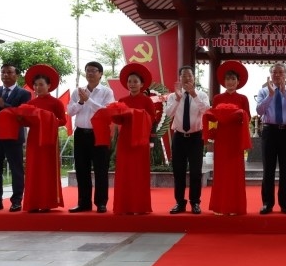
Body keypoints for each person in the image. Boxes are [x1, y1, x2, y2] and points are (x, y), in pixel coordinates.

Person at [0, 64, 66, 213]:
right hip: (34, 138)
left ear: (49, 85)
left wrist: (47, 118)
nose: (37, 87)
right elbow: (25, 121)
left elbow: (63, 120)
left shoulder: (56, 102)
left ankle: (47, 202)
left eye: (41, 84)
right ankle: (34, 202)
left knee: (47, 170)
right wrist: (20, 118)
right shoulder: (30, 103)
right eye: (35, 85)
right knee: (33, 169)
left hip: (49, 140)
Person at [0, 63, 31, 213]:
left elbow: (22, 113)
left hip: (13, 135)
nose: (5, 75)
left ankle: (16, 201)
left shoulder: (24, 94)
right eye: (3, 72)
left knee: (16, 169)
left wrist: (4, 104)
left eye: (9, 72)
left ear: (17, 75)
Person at [66, 61, 115, 213]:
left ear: (100, 74)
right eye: (87, 71)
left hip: (99, 133)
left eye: (94, 71)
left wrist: (89, 100)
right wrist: (81, 101)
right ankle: (83, 203)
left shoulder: (106, 92)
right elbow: (70, 111)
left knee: (101, 169)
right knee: (82, 169)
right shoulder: (78, 91)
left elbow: (106, 112)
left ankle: (101, 203)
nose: (90, 73)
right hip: (81, 133)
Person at [204, 61, 251, 215]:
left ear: (238, 82)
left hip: (236, 138)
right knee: (222, 172)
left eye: (233, 79)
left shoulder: (243, 98)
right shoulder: (217, 98)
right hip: (222, 138)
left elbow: (248, 117)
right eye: (228, 79)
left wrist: (239, 114)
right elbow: (213, 117)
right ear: (224, 82)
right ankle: (221, 206)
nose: (230, 82)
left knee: (235, 172)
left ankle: (235, 206)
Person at [255, 62, 286, 214]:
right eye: (275, 72)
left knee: (285, 169)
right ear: (271, 75)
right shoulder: (263, 91)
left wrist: (284, 93)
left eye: (281, 73)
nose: (278, 75)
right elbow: (260, 111)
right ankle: (267, 203)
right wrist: (270, 95)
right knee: (268, 169)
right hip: (270, 132)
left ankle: (285, 203)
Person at [111, 64, 157, 214]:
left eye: (135, 81)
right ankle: (123, 206)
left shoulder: (147, 101)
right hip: (125, 140)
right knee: (124, 173)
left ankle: (139, 207)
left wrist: (135, 113)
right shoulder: (122, 99)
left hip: (140, 141)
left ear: (142, 84)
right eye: (130, 81)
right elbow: (119, 121)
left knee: (138, 173)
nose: (132, 84)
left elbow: (152, 119)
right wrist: (115, 114)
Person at [164, 65, 210, 214]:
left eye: (189, 76)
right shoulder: (172, 96)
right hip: (179, 137)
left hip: (195, 137)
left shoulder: (202, 95)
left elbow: (207, 111)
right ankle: (179, 203)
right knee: (179, 172)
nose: (187, 78)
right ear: (180, 78)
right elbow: (168, 115)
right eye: (183, 76)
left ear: (194, 78)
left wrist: (194, 95)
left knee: (196, 172)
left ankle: (195, 202)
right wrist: (177, 99)